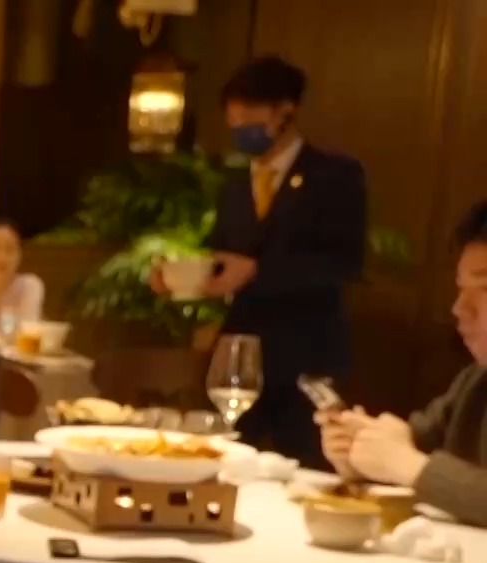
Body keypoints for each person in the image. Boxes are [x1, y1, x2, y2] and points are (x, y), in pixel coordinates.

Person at [159, 55, 367, 467]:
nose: (241, 130)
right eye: (235, 121)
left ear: (285, 111)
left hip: (307, 350)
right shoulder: (235, 185)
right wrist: (181, 278)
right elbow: (224, 257)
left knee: (306, 466)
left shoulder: (335, 175)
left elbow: (344, 262)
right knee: (224, 460)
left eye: (251, 119)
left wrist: (259, 271)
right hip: (241, 352)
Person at [318, 201, 487, 527]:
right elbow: (414, 442)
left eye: (484, 289)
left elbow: (410, 462)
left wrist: (408, 466)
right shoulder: (475, 381)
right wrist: (359, 448)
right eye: (460, 289)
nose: (459, 308)